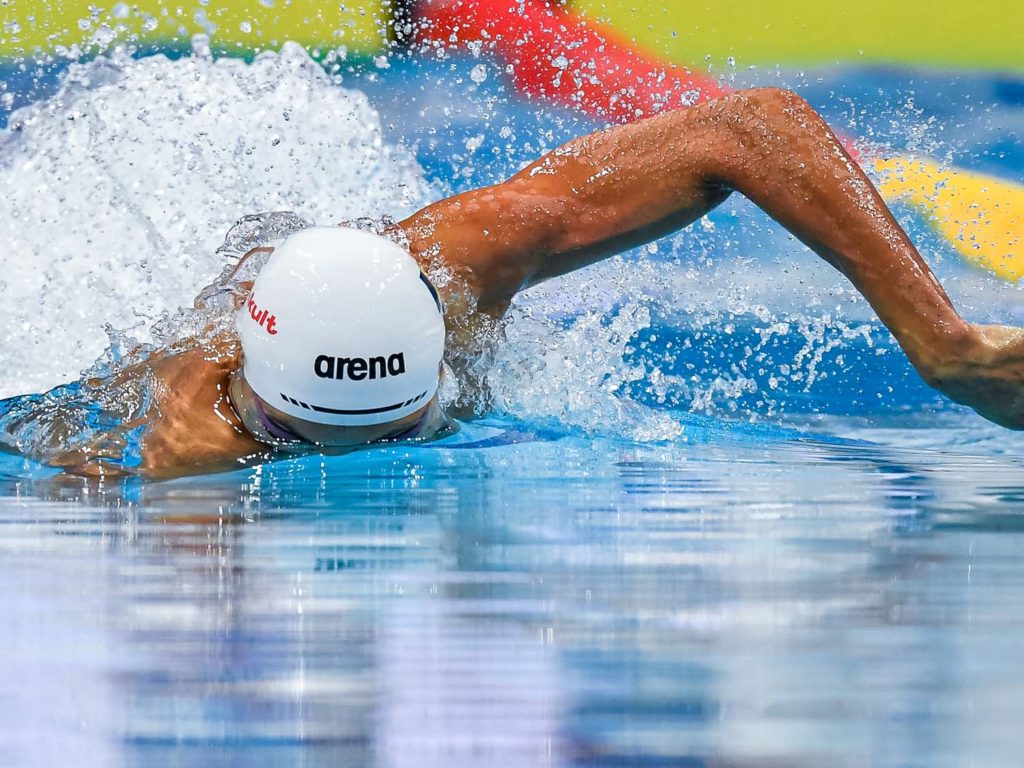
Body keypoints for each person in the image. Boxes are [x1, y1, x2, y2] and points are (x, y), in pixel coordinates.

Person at [3, 87, 1023, 479]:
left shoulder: (458, 269)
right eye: (312, 440)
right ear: (250, 403)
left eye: (402, 429)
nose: (373, 457)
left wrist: (937, 341)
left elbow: (743, 128)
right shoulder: (165, 448)